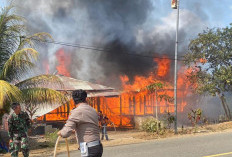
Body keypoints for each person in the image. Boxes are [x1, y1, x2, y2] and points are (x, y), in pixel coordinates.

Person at [58, 90, 103, 157]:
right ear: (86, 99)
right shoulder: (93, 110)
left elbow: (65, 133)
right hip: (97, 146)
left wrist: (61, 132)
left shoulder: (76, 112)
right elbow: (87, 125)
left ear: (73, 101)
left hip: (89, 148)